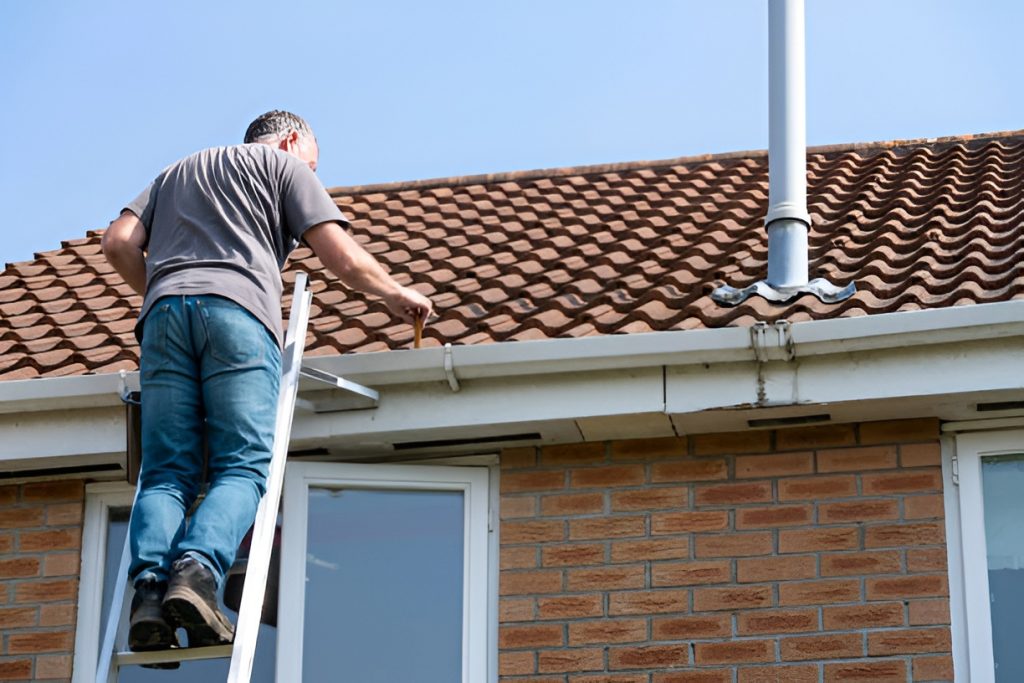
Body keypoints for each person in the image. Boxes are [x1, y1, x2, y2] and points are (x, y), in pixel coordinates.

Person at [102, 110, 433, 656]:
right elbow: (340, 256)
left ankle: (149, 593)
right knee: (241, 466)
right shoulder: (280, 165)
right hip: (237, 314)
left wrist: (164, 291)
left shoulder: (176, 172)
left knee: (165, 473)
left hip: (161, 319)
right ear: (293, 139)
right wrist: (395, 293)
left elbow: (118, 243)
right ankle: (198, 571)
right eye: (316, 164)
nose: (315, 174)